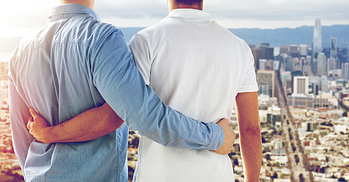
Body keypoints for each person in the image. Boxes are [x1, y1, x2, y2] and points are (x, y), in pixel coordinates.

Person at [28, 0, 262, 181]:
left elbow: (118, 114)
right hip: (216, 175)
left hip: (158, 175)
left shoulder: (146, 40)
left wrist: (49, 134)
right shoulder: (239, 48)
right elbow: (250, 130)